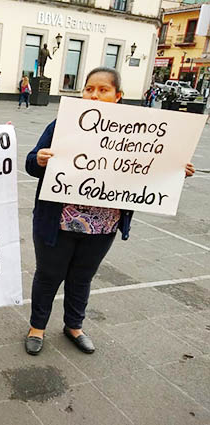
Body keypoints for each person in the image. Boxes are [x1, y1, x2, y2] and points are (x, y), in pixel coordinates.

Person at [24, 67, 196, 356]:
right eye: (89, 89)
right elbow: (31, 163)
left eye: (103, 90)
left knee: (82, 277)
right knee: (48, 275)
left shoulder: (138, 133)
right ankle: (37, 328)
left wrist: (176, 170)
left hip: (103, 226)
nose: (94, 95)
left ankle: (74, 326)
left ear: (118, 96)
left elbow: (152, 166)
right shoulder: (62, 125)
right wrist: (39, 160)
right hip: (57, 223)